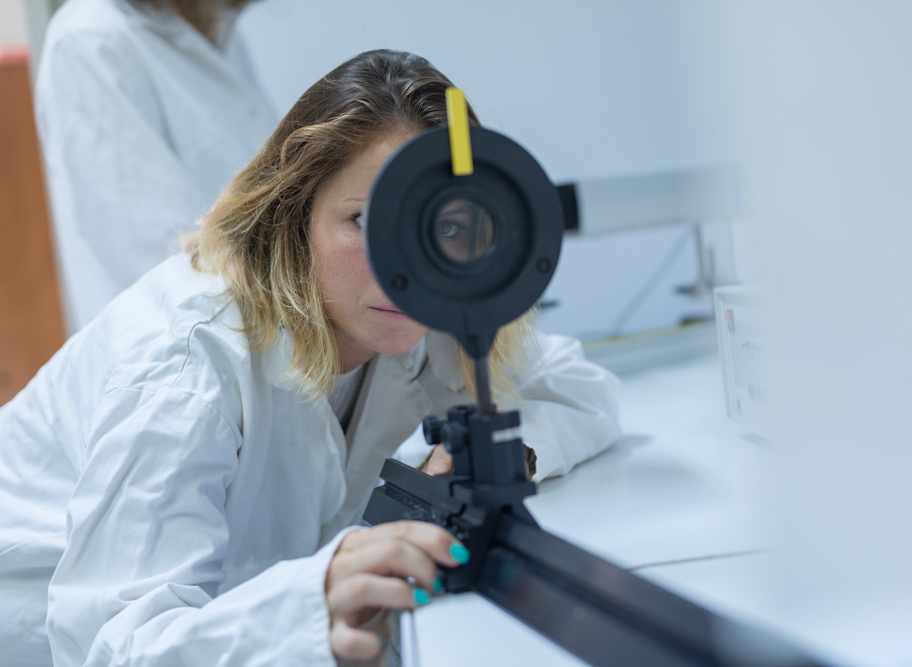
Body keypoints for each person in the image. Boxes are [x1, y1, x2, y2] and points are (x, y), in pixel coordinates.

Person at [0, 50, 621, 666]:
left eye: (445, 226)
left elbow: (579, 386)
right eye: (365, 220)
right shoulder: (187, 362)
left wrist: (483, 459)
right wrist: (305, 607)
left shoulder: (414, 318)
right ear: (295, 216)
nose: (402, 262)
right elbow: (110, 647)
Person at [34, 0, 277, 332]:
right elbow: (162, 259)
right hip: (189, 341)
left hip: (259, 327)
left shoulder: (216, 24)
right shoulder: (90, 39)